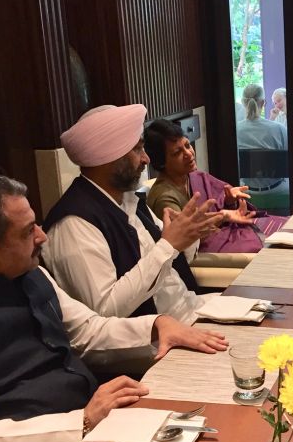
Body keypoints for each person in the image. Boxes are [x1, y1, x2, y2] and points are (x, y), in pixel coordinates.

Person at [0, 173, 228, 442]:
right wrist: (79, 423)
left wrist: (156, 325)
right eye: (28, 231)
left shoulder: (29, 274)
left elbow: (87, 330)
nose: (42, 236)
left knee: (218, 431)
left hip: (95, 419)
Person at [42, 104, 219, 323]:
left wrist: (188, 235)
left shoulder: (129, 201)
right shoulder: (74, 223)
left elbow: (172, 260)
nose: (146, 159)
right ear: (107, 158)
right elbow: (105, 311)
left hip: (190, 308)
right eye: (137, 150)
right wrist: (168, 245)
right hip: (156, 339)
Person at [145, 119, 287, 253]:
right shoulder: (164, 199)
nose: (188, 154)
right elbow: (184, 241)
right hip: (209, 248)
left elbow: (221, 210)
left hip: (227, 233)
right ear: (161, 162)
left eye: (187, 145)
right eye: (177, 153)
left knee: (288, 228)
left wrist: (228, 201)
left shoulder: (194, 177)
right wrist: (222, 216)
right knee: (278, 246)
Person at [236, 84, 288, 194]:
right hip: (278, 192)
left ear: (243, 102)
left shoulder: (235, 131)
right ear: (263, 102)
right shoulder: (279, 129)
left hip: (246, 193)